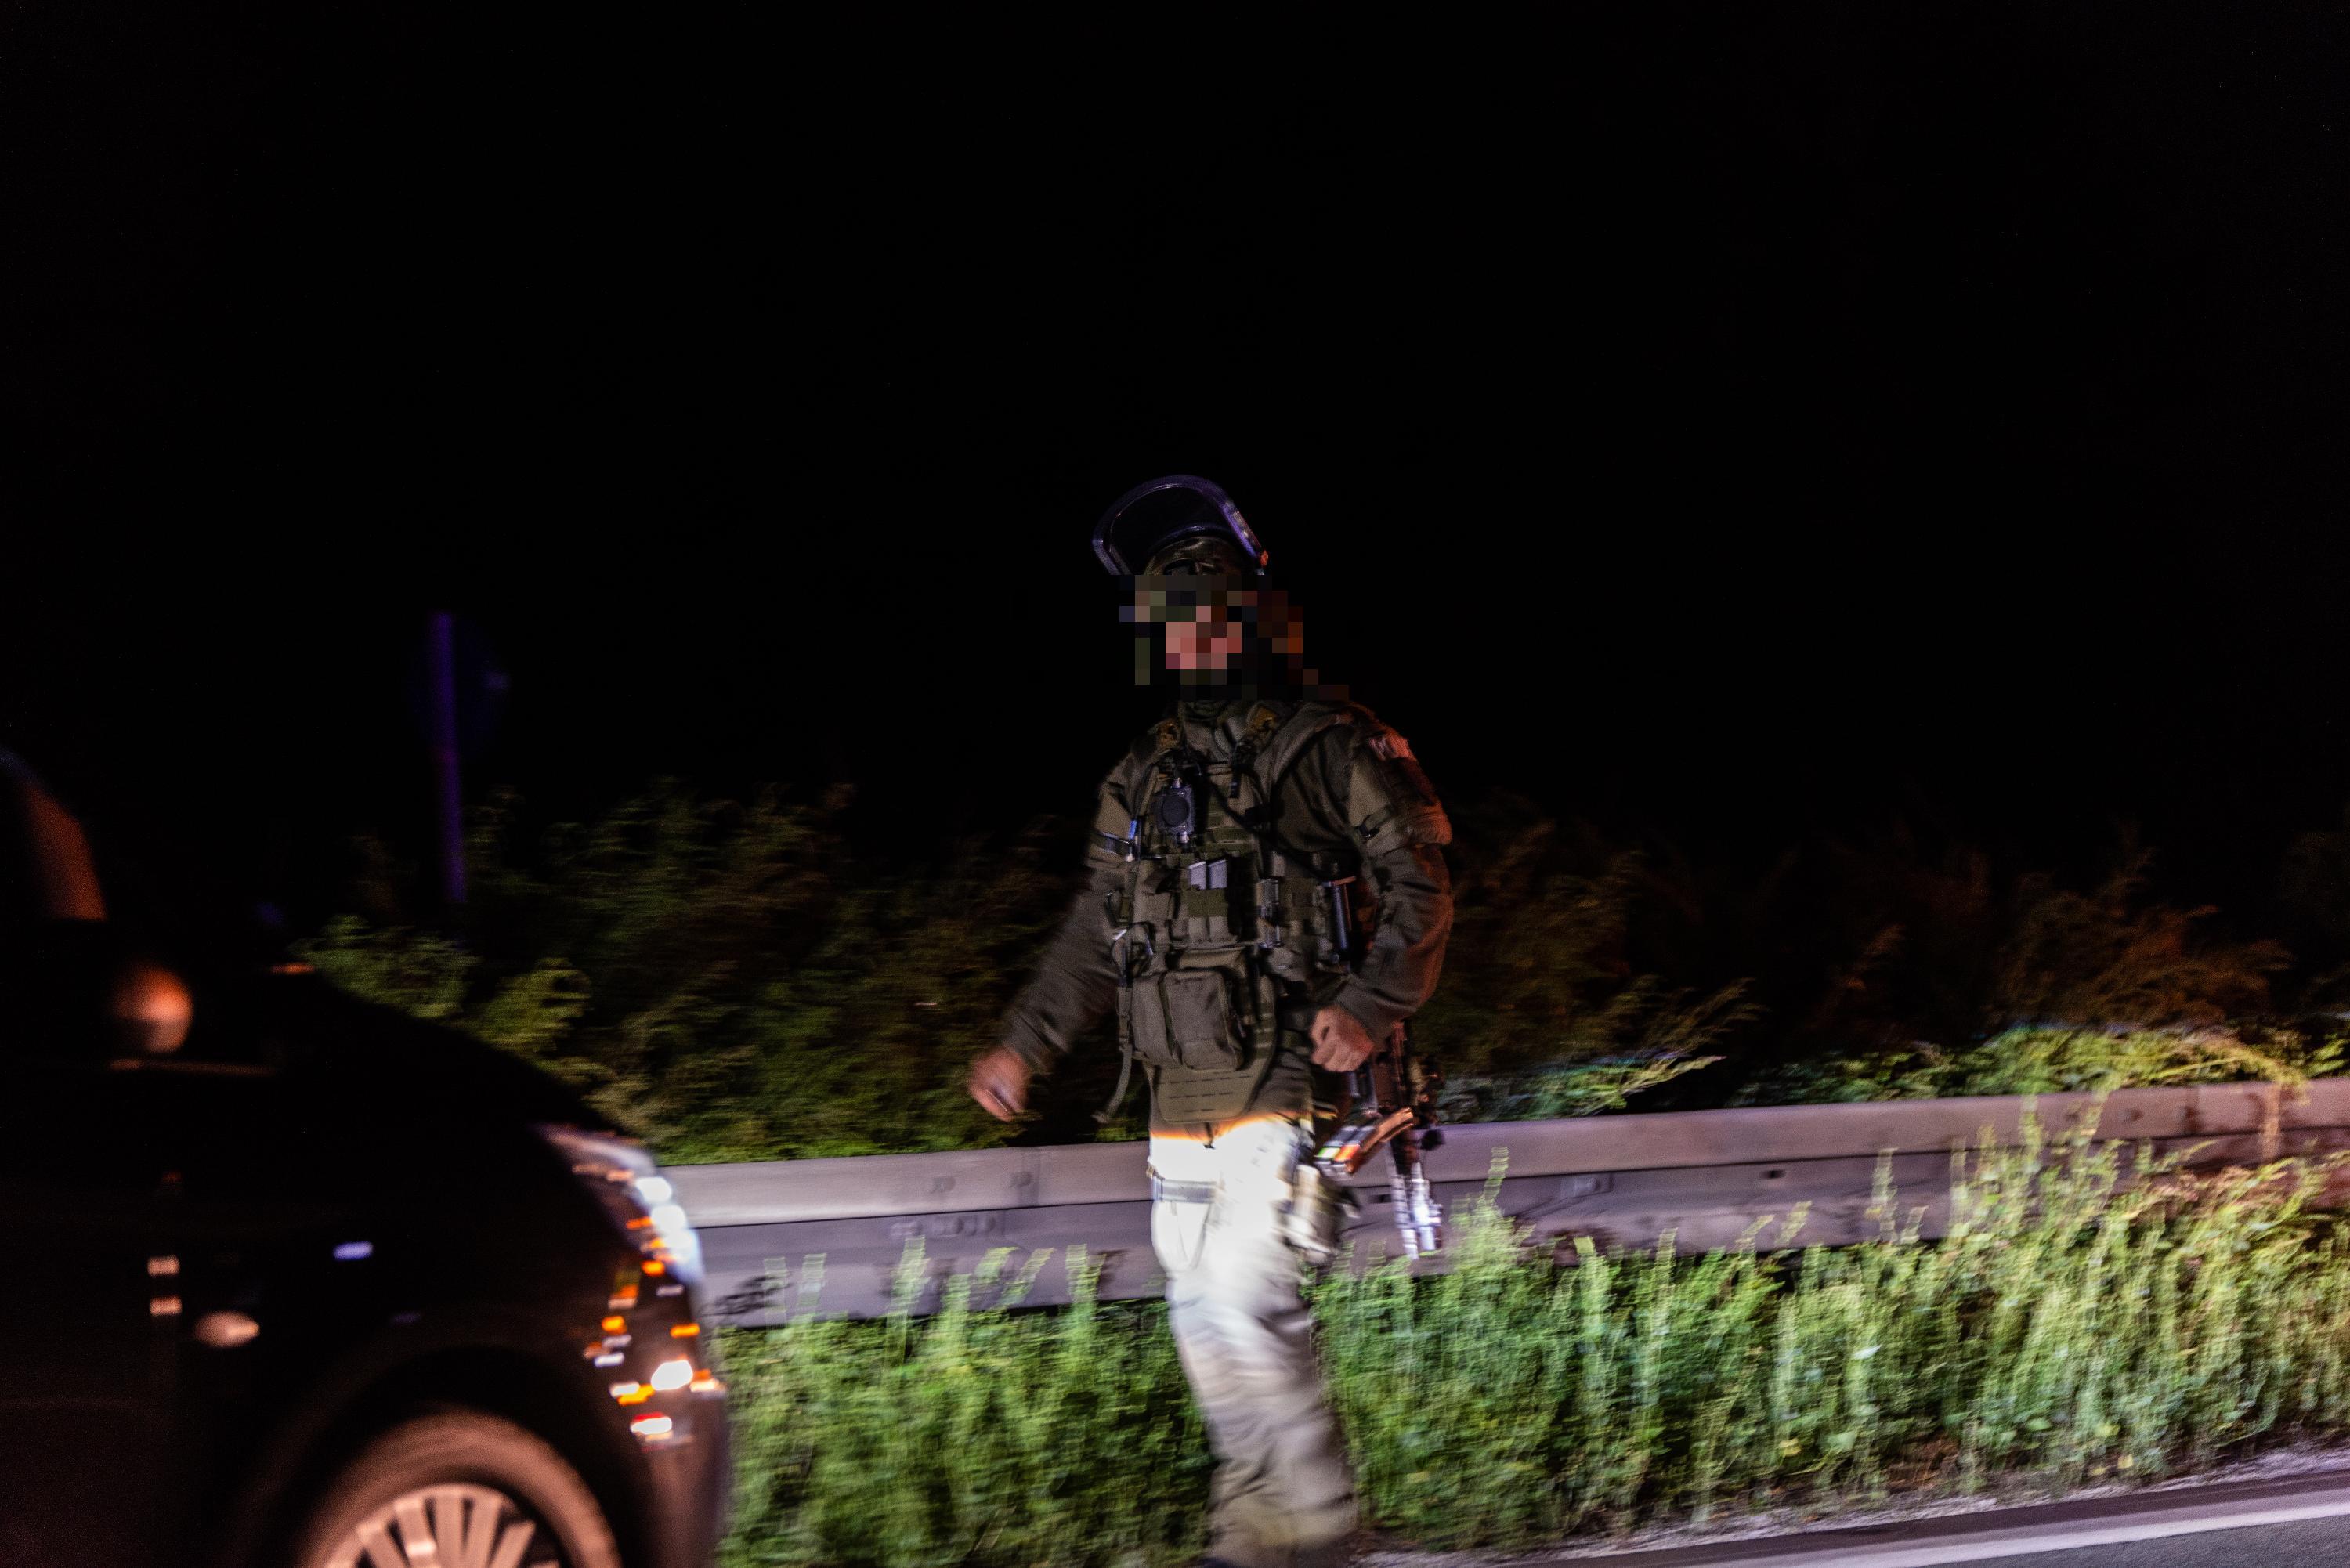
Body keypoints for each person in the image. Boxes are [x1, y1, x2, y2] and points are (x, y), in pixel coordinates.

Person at [967, 476, 1454, 1568]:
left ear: (1247, 618)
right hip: (1175, 1083)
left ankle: (1319, 1524)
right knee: (1200, 1317)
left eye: (1203, 613)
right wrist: (1025, 1041)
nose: (1186, 637)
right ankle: (1252, 1528)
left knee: (1244, 1299)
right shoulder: (1142, 773)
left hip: (1285, 1069)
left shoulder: (1331, 744)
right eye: (1166, 621)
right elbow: (1098, 922)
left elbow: (1421, 887)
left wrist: (1368, 1006)